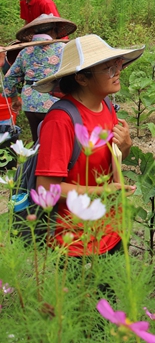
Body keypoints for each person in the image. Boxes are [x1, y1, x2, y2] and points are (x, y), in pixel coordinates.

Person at [33, 34, 142, 256]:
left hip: (112, 230)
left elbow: (113, 159)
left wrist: (125, 145)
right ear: (82, 79)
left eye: (118, 64)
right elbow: (45, 188)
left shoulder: (106, 106)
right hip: (76, 241)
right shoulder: (61, 120)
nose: (118, 72)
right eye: (108, 69)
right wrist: (100, 192)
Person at [3, 14, 77, 142]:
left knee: (37, 140)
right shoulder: (63, 49)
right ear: (53, 30)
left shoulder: (25, 51)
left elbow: (9, 78)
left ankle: (35, 160)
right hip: (54, 100)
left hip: (30, 101)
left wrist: (15, 99)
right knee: (54, 140)